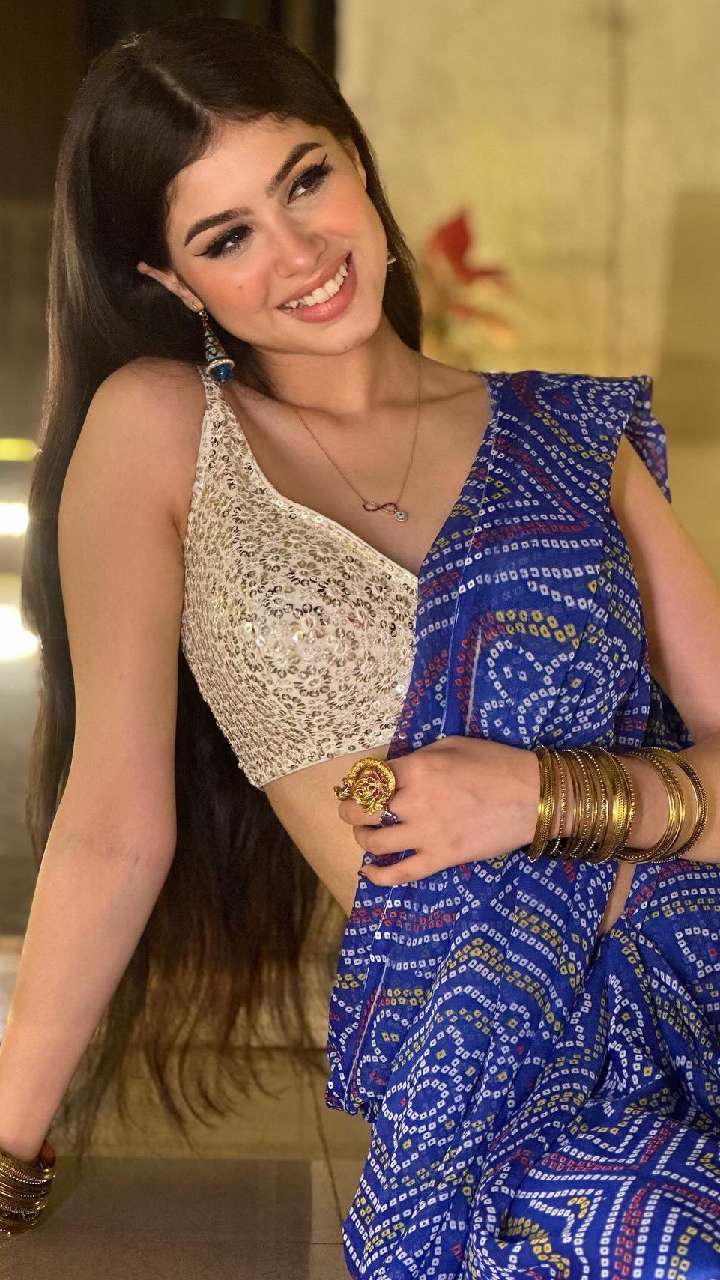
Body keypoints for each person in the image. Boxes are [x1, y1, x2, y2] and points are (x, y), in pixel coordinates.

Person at [1, 12, 719, 1277]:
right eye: (227, 236)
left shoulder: (572, 432)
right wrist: (9, 1147)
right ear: (172, 282)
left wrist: (545, 794)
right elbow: (114, 823)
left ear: (358, 162)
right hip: (503, 1081)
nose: (299, 253)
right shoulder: (164, 431)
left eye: (305, 180)